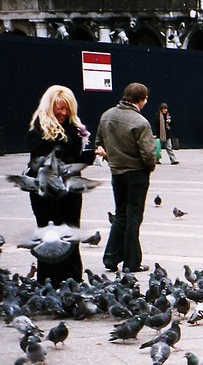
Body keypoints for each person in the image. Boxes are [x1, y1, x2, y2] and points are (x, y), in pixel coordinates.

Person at [22, 85, 101, 285]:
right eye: (59, 108)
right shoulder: (39, 130)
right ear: (50, 107)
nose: (63, 112)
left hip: (69, 192)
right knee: (49, 237)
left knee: (70, 235)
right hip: (45, 193)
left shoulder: (73, 128)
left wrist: (92, 154)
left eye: (67, 108)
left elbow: (71, 158)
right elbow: (50, 159)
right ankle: (49, 283)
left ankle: (72, 282)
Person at [97, 82, 157, 273]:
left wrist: (113, 159)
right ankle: (132, 262)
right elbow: (148, 154)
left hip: (117, 172)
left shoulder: (106, 116)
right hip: (136, 174)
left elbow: (99, 142)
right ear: (142, 99)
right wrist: (150, 167)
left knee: (120, 214)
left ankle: (111, 257)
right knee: (133, 217)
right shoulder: (140, 122)